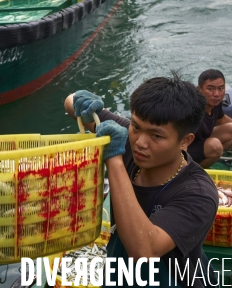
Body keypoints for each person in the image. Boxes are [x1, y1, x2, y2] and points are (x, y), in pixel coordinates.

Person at [64, 74, 219, 287]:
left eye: (157, 136)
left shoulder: (198, 193)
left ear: (185, 141)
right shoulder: (128, 137)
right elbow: (71, 103)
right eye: (136, 127)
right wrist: (82, 100)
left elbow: (145, 251)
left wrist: (114, 159)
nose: (140, 143)